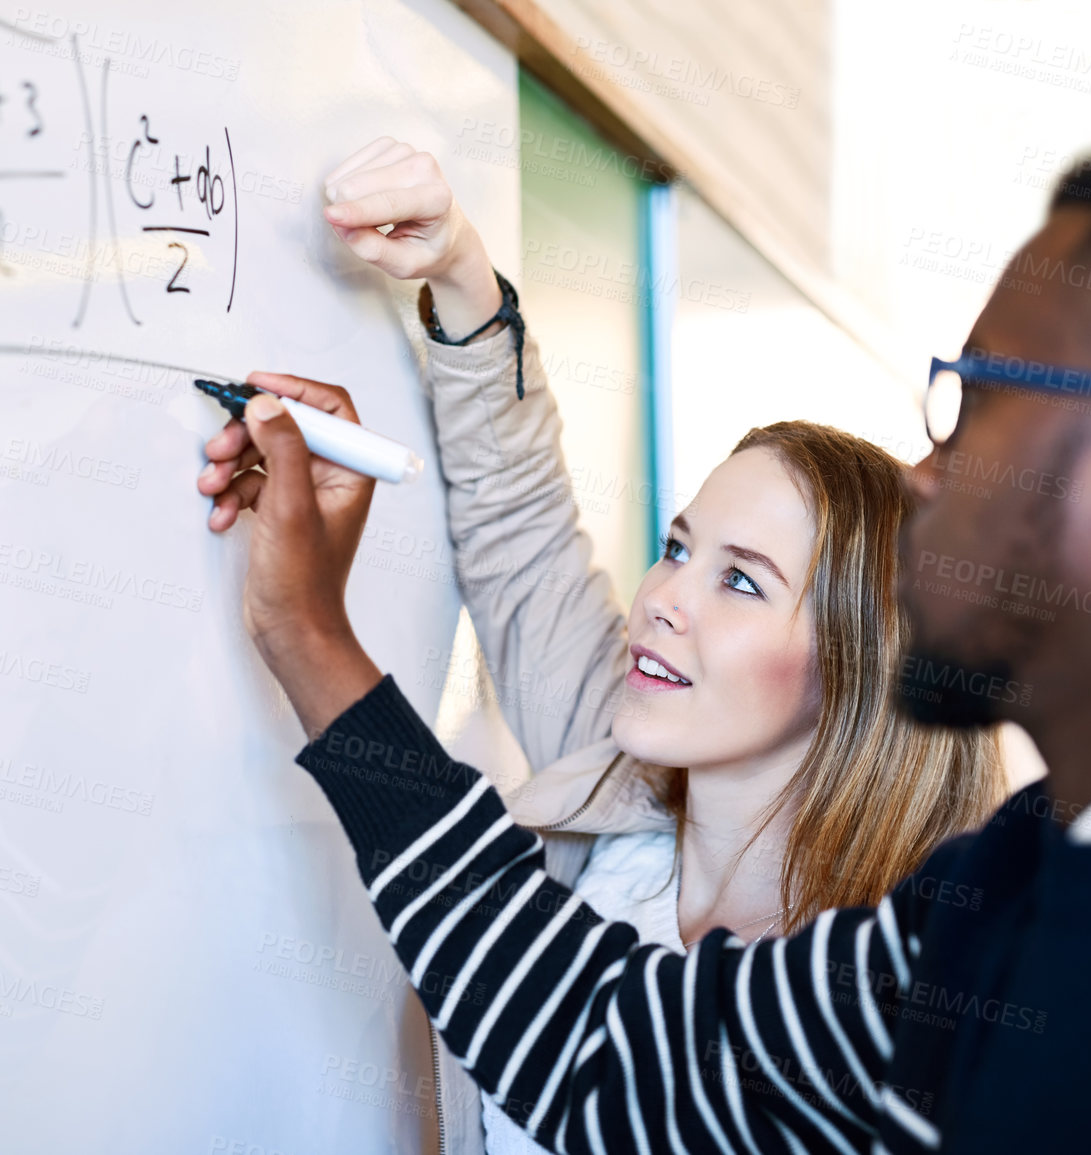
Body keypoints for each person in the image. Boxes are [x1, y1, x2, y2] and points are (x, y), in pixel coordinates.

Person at [204, 121, 1091, 1153]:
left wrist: (309, 632)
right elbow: (611, 1050)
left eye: (977, 405)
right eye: (680, 547)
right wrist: (310, 628)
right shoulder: (999, 895)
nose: (924, 476)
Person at [201, 140, 1002, 1152]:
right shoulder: (622, 789)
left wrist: (306, 629)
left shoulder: (875, 1004)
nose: (663, 595)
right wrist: (460, 280)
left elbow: (588, 1046)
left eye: (742, 580)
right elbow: (523, 537)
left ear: (859, 673)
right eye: (678, 546)